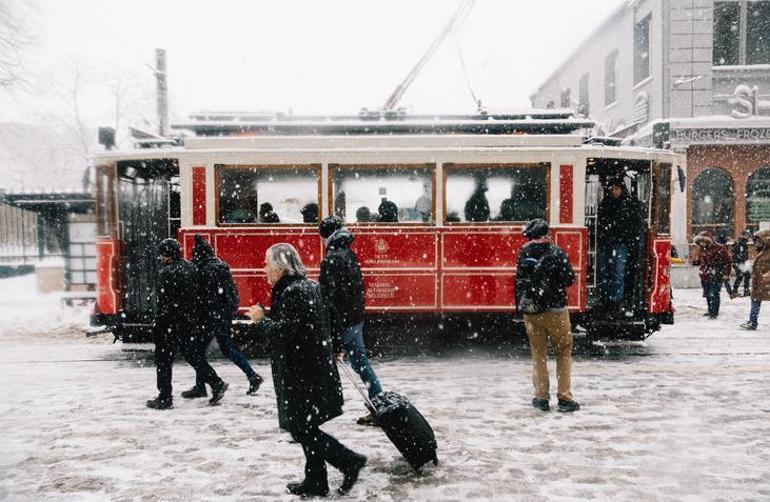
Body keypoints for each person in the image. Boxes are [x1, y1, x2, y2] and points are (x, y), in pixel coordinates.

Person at [246, 243, 366, 497]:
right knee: (305, 426)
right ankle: (316, 481)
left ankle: (349, 461)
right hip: (312, 371)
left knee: (301, 429)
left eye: (267, 262)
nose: (264, 268)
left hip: (303, 374)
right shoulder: (308, 286)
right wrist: (335, 345)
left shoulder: (293, 292)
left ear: (280, 266)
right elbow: (332, 317)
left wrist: (260, 321)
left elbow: (283, 334)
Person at [146, 239, 229, 410]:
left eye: (162, 254)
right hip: (189, 322)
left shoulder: (166, 273)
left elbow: (164, 303)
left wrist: (158, 324)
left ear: (167, 256)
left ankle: (164, 397)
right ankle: (216, 382)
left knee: (163, 360)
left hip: (170, 323)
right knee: (193, 356)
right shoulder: (191, 267)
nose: (160, 258)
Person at [318, 216, 384, 426]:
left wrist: (334, 334)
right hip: (355, 318)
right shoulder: (348, 252)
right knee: (360, 362)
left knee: (326, 365)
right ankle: (378, 404)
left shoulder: (332, 259)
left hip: (344, 320)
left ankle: (316, 414)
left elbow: (330, 300)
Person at [181, 235, 264, 399]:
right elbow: (231, 294)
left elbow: (204, 299)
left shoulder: (204, 271)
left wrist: (198, 316)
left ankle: (205, 386)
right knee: (226, 347)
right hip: (223, 314)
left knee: (197, 351)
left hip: (210, 316)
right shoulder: (221, 267)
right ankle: (252, 376)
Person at [515, 219, 580, 413]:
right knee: (563, 353)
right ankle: (565, 398)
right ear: (547, 234)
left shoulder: (524, 252)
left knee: (539, 355)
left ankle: (541, 397)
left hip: (533, 311)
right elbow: (569, 279)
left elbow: (519, 281)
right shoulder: (557, 252)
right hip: (556, 310)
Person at [596, 177, 644, 309]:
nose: (614, 192)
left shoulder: (626, 205)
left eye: (616, 189)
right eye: (612, 189)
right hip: (610, 241)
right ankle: (609, 298)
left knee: (617, 271)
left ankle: (614, 299)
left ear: (622, 189)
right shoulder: (610, 204)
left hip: (618, 242)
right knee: (606, 271)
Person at [691, 231, 731, 319]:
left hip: (716, 274)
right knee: (707, 294)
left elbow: (727, 262)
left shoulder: (720, 248)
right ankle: (710, 310)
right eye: (700, 241)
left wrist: (726, 273)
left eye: (703, 241)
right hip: (705, 275)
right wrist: (694, 261)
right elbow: (701, 262)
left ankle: (714, 312)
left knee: (714, 294)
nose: (702, 243)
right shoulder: (702, 249)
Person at [740, 230, 770, 330]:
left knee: (756, 301)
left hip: (765, 283)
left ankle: (753, 322)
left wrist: (766, 276)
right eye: (756, 241)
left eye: (759, 241)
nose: (756, 243)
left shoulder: (767, 252)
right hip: (759, 283)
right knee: (755, 301)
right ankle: (752, 321)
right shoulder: (763, 251)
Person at [732, 229, 752, 298]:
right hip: (738, 262)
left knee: (747, 275)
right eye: (747, 236)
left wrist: (746, 260)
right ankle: (734, 290)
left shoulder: (744, 243)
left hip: (743, 262)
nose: (748, 237)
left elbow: (745, 254)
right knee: (740, 276)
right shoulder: (738, 243)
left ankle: (746, 290)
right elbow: (735, 254)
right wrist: (737, 262)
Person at [715, 232, 734, 297]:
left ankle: (729, 293)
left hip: (721, 265)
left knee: (723, 280)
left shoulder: (721, 244)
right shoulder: (721, 245)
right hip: (720, 265)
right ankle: (730, 293)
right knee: (722, 280)